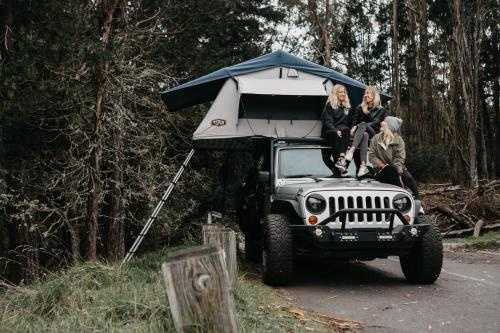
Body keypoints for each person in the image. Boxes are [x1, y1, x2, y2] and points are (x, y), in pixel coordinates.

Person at [368, 116, 422, 204]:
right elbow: (371, 155)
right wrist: (381, 165)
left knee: (408, 177)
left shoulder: (399, 140)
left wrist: (398, 172)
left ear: (390, 125)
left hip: (397, 168)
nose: (381, 122)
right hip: (380, 171)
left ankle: (418, 201)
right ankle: (402, 199)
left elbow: (400, 157)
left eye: (384, 121)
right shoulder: (375, 139)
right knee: (389, 169)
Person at [345, 86, 386, 177]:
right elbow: (354, 122)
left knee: (364, 125)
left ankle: (352, 150)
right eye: (365, 93)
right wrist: (353, 128)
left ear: (374, 95)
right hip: (362, 135)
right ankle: (363, 166)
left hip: (374, 135)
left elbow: (376, 123)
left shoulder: (380, 109)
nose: (365, 95)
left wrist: (361, 126)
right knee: (364, 134)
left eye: (368, 93)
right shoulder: (360, 107)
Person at [321, 84, 352, 176]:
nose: (343, 94)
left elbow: (347, 123)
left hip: (342, 131)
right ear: (336, 93)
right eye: (341, 92)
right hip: (329, 131)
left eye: (344, 92)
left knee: (346, 130)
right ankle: (340, 166)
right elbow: (328, 121)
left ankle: (341, 159)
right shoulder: (330, 105)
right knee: (335, 135)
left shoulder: (347, 107)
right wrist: (335, 130)